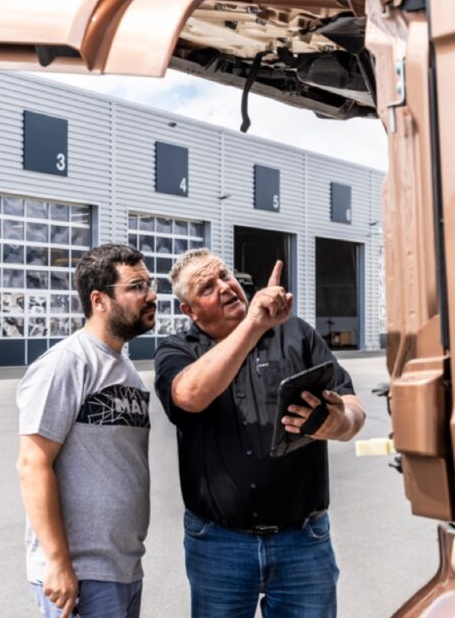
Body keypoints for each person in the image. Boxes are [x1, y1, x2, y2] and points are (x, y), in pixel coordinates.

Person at [154, 248, 366, 618]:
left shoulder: (296, 334)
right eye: (207, 287)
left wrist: (338, 423)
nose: (224, 287)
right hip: (219, 544)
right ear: (190, 311)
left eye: (224, 276)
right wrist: (253, 326)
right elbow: (189, 396)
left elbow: (353, 408)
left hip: (303, 540)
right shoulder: (177, 350)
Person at [16, 243, 158, 618]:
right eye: (136, 287)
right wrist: (57, 562)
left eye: (149, 284)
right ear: (99, 300)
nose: (151, 295)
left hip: (123, 568)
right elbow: (32, 464)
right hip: (80, 574)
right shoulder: (67, 363)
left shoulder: (126, 369)